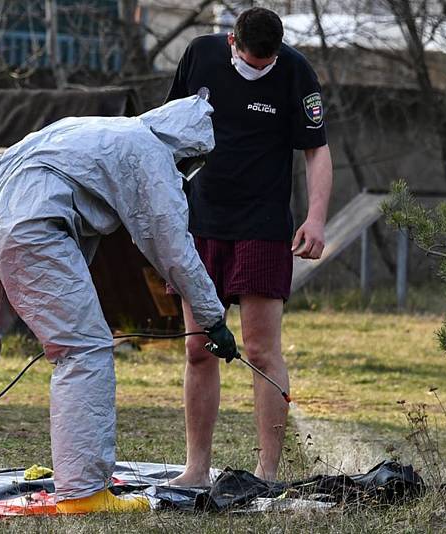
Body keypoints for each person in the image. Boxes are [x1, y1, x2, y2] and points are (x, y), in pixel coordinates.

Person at [0, 94, 239, 513]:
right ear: (185, 148)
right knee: (83, 349)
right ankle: (84, 491)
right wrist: (213, 318)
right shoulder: (151, 152)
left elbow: (82, 227)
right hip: (27, 222)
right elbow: (175, 248)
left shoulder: (96, 130)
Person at [166, 7, 333, 486]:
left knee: (260, 350)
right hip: (202, 222)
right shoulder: (200, 55)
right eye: (251, 61)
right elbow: (164, 130)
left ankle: (267, 471)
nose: (259, 69)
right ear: (231, 42)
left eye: (268, 63)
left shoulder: (295, 70)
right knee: (198, 348)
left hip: (262, 227)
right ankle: (196, 468)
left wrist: (316, 218)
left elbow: (317, 149)